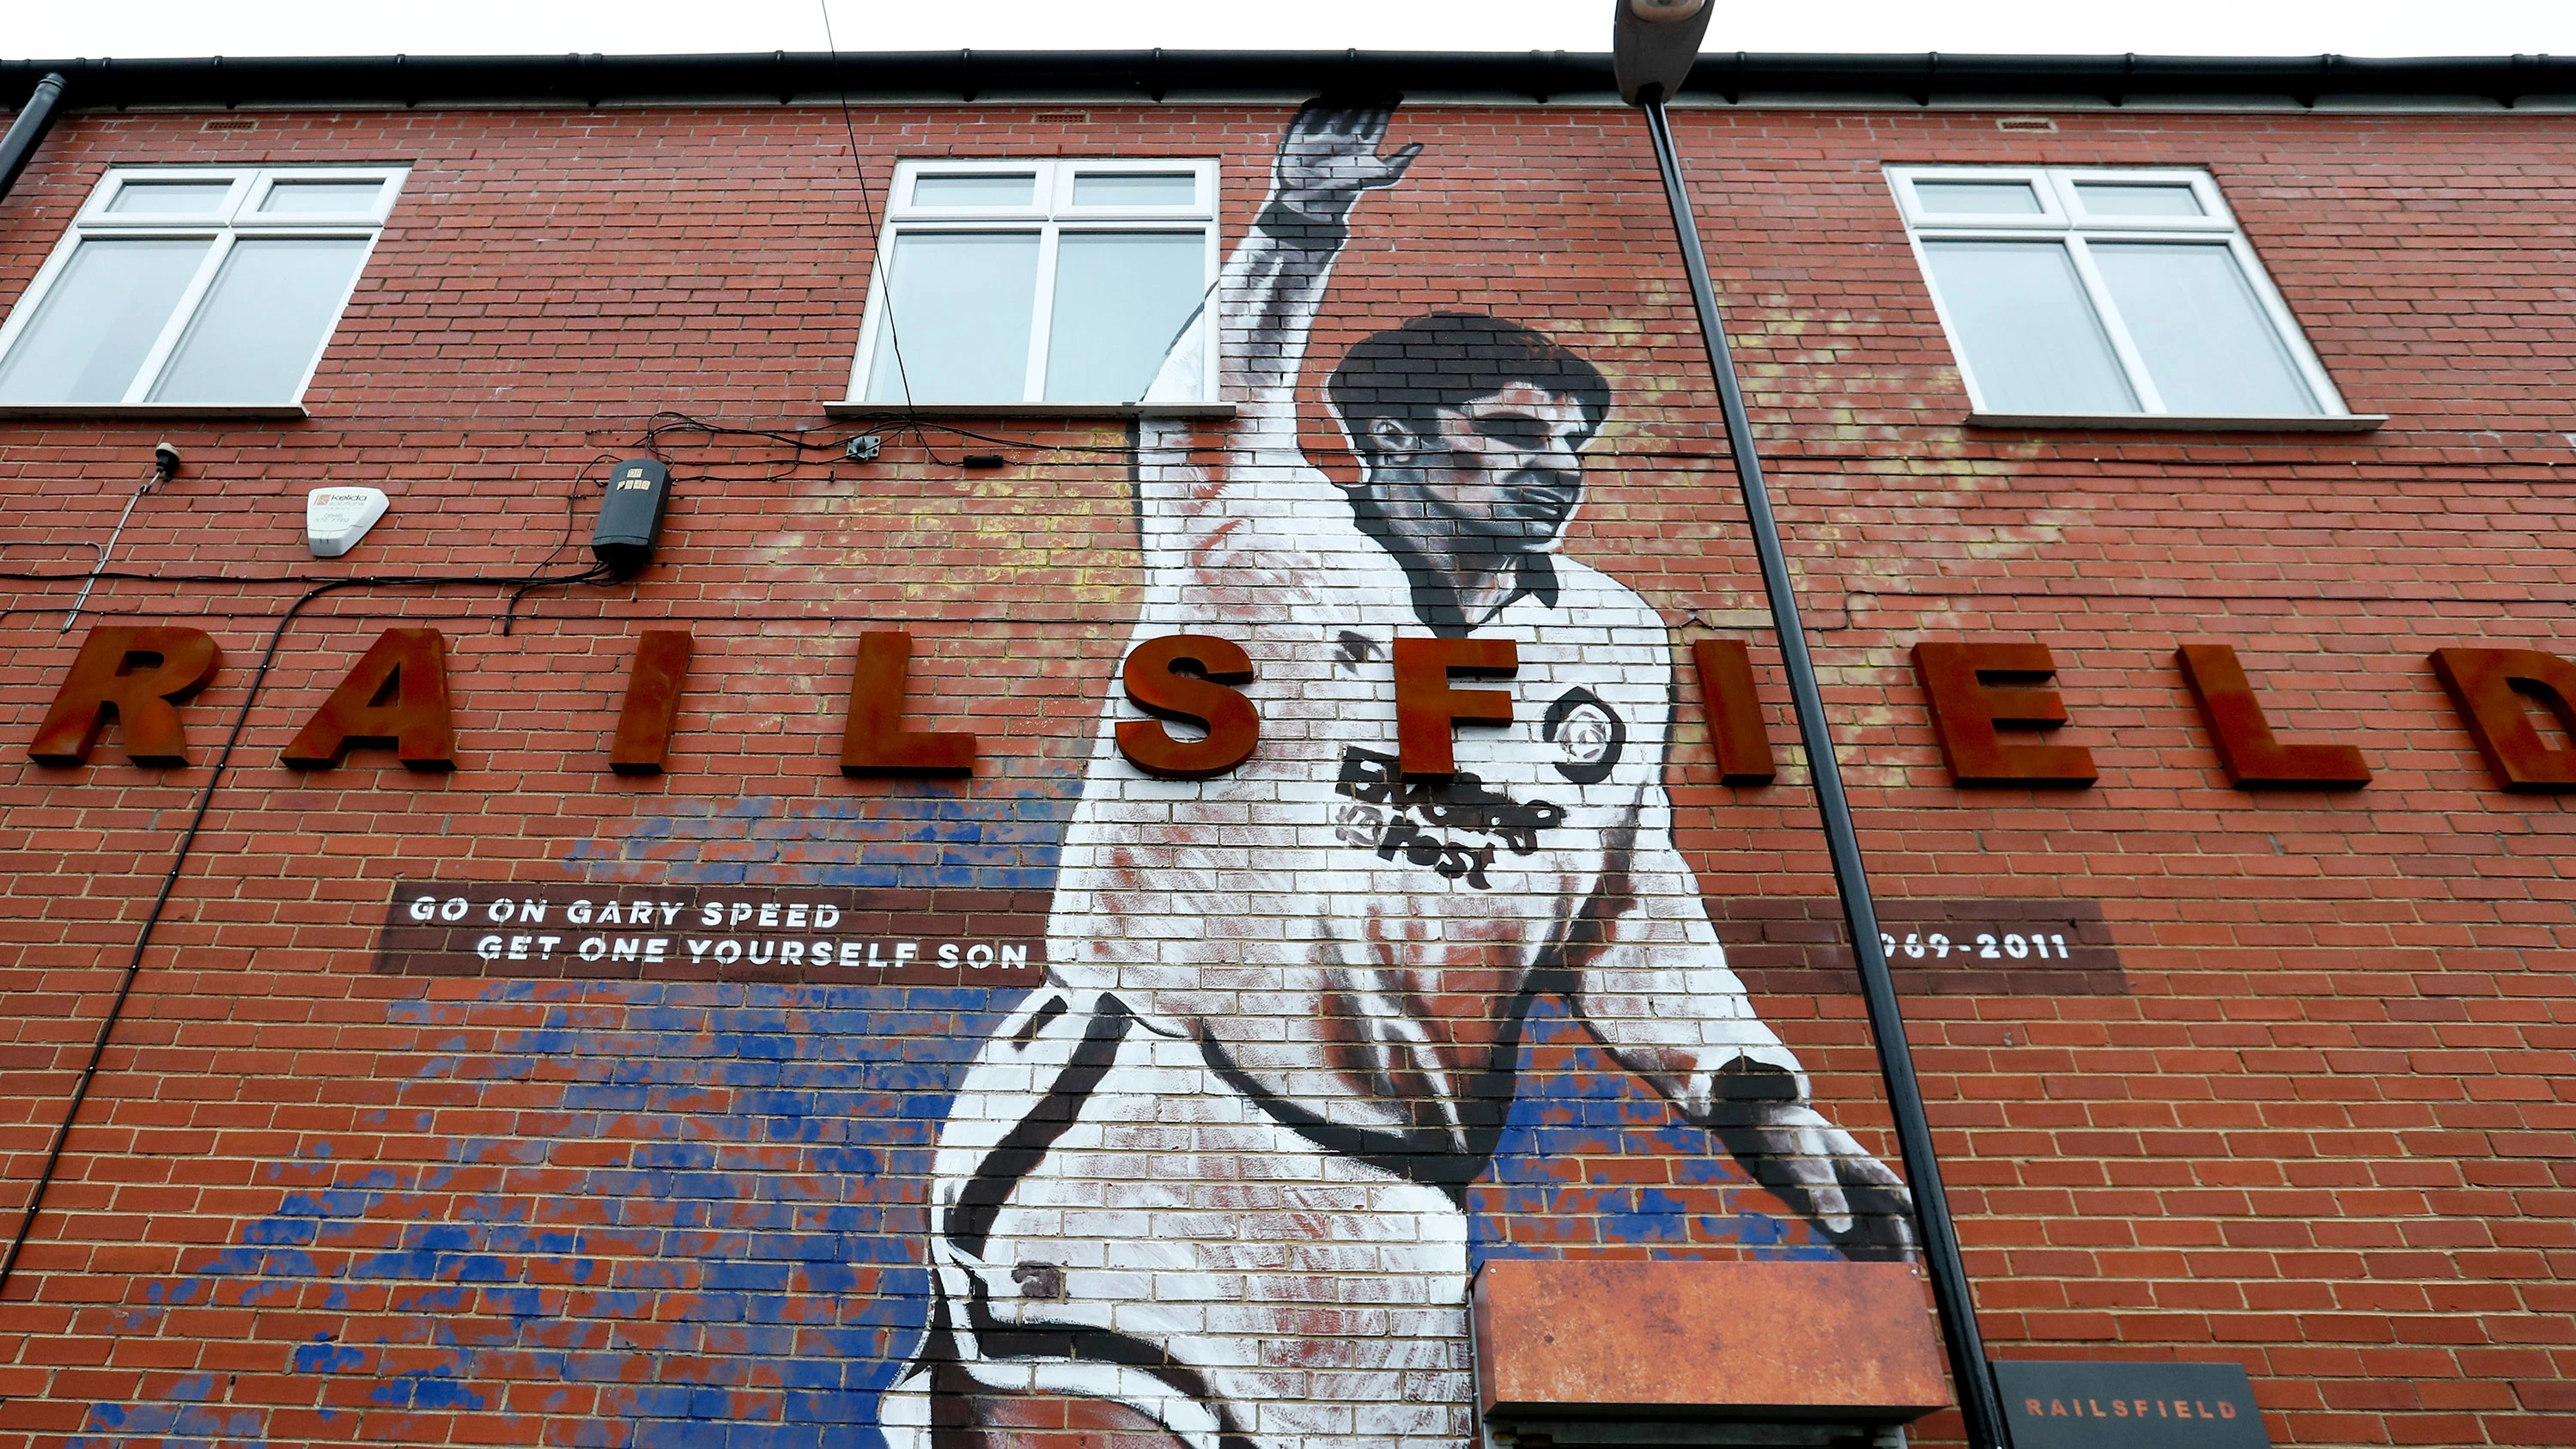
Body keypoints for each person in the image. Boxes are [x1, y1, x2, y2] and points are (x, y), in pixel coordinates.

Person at [878, 100, 1914, 1449]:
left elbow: (1628, 898)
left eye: (1574, 447)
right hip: (1156, 1114)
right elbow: (1209, 415)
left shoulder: (1607, 635)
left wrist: (1757, 1101)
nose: (1561, 469)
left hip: (1397, 1198)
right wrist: (1299, 224)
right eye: (1518, 433)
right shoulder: (1258, 542)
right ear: (1401, 441)